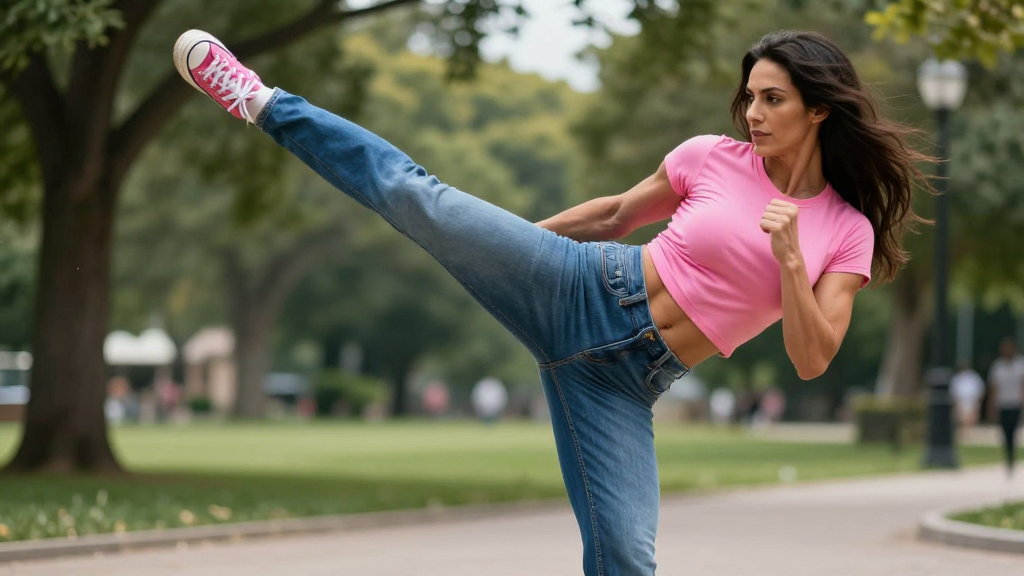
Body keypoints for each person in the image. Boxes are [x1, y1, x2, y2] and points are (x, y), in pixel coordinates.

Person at [172, 29, 930, 575]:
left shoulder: (844, 230)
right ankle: (264, 100)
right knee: (423, 199)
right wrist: (504, 247)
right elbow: (613, 216)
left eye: (773, 99)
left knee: (626, 556)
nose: (753, 113)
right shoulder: (710, 157)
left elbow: (811, 356)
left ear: (819, 109)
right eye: (750, 97)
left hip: (622, 386)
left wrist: (791, 261)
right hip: (580, 283)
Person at [987, 337, 1024, 476]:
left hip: (1015, 404)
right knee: (1005, 433)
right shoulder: (997, 367)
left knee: (1013, 431)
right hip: (1003, 404)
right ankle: (1008, 456)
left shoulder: (1020, 365)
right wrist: (992, 407)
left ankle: (1012, 457)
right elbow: (994, 388)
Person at [949, 362, 985, 440]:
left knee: (970, 422)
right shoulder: (957, 378)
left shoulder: (974, 377)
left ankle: (969, 438)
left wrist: (977, 404)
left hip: (971, 403)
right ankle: (963, 438)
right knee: (961, 422)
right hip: (961, 403)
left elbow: (979, 391)